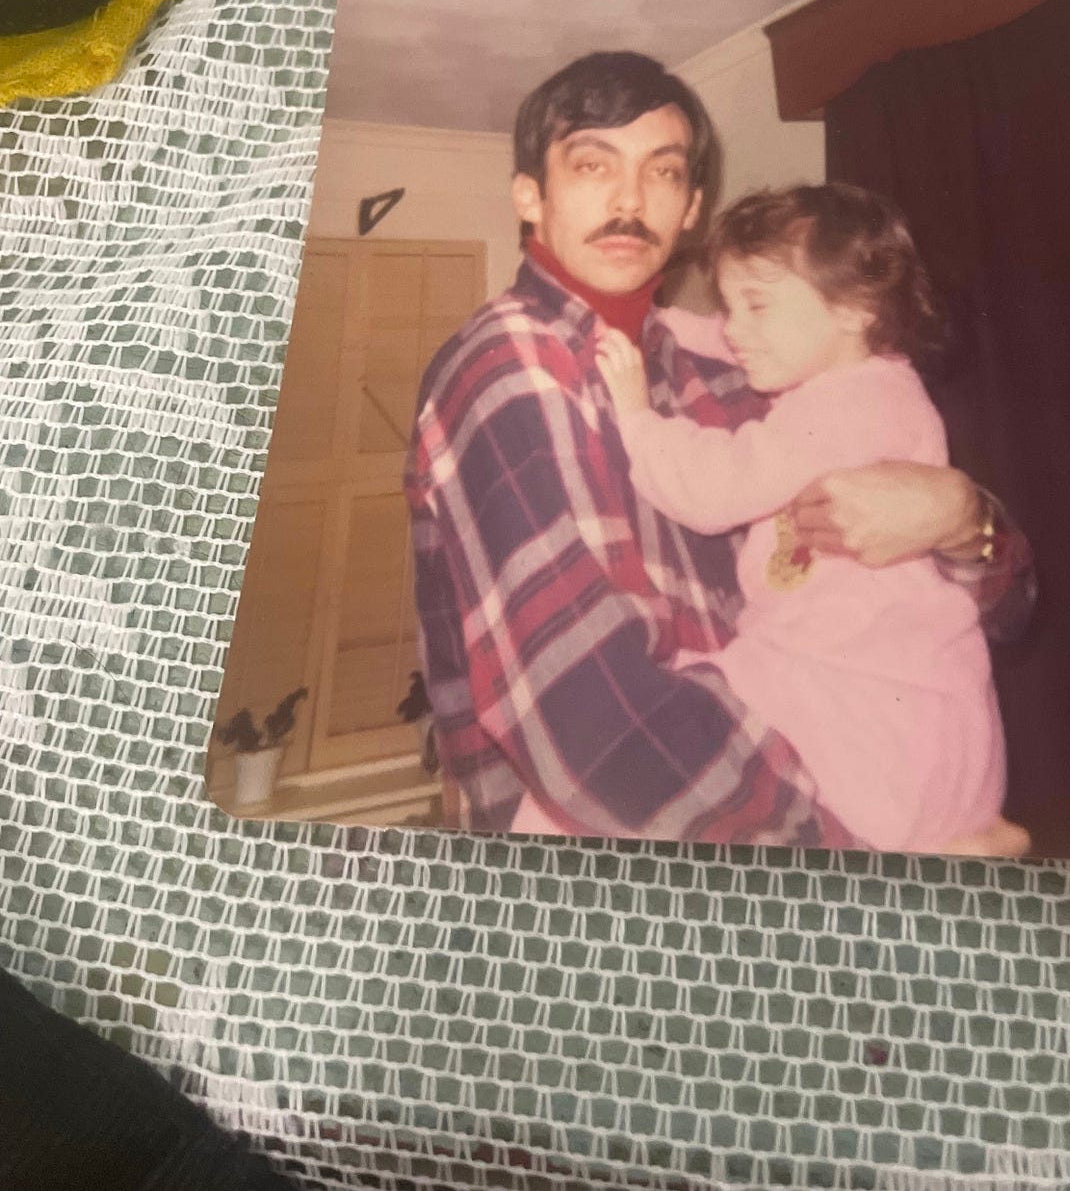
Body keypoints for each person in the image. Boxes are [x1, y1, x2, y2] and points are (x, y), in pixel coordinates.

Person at [406, 50, 1030, 844]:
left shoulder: (733, 364)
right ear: (530, 195)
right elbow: (598, 734)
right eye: (595, 164)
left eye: (663, 173)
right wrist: (871, 871)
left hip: (824, 765)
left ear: (693, 207)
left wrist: (963, 518)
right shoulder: (507, 369)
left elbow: (1008, 608)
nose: (631, 199)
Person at [594, 183, 1025, 855]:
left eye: (756, 304)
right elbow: (746, 340)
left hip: (867, 695)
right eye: (729, 305)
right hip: (901, 706)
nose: (735, 326)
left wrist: (636, 419)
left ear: (855, 307)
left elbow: (714, 487)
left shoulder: (849, 406)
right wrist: (666, 322)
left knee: (664, 707)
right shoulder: (861, 375)